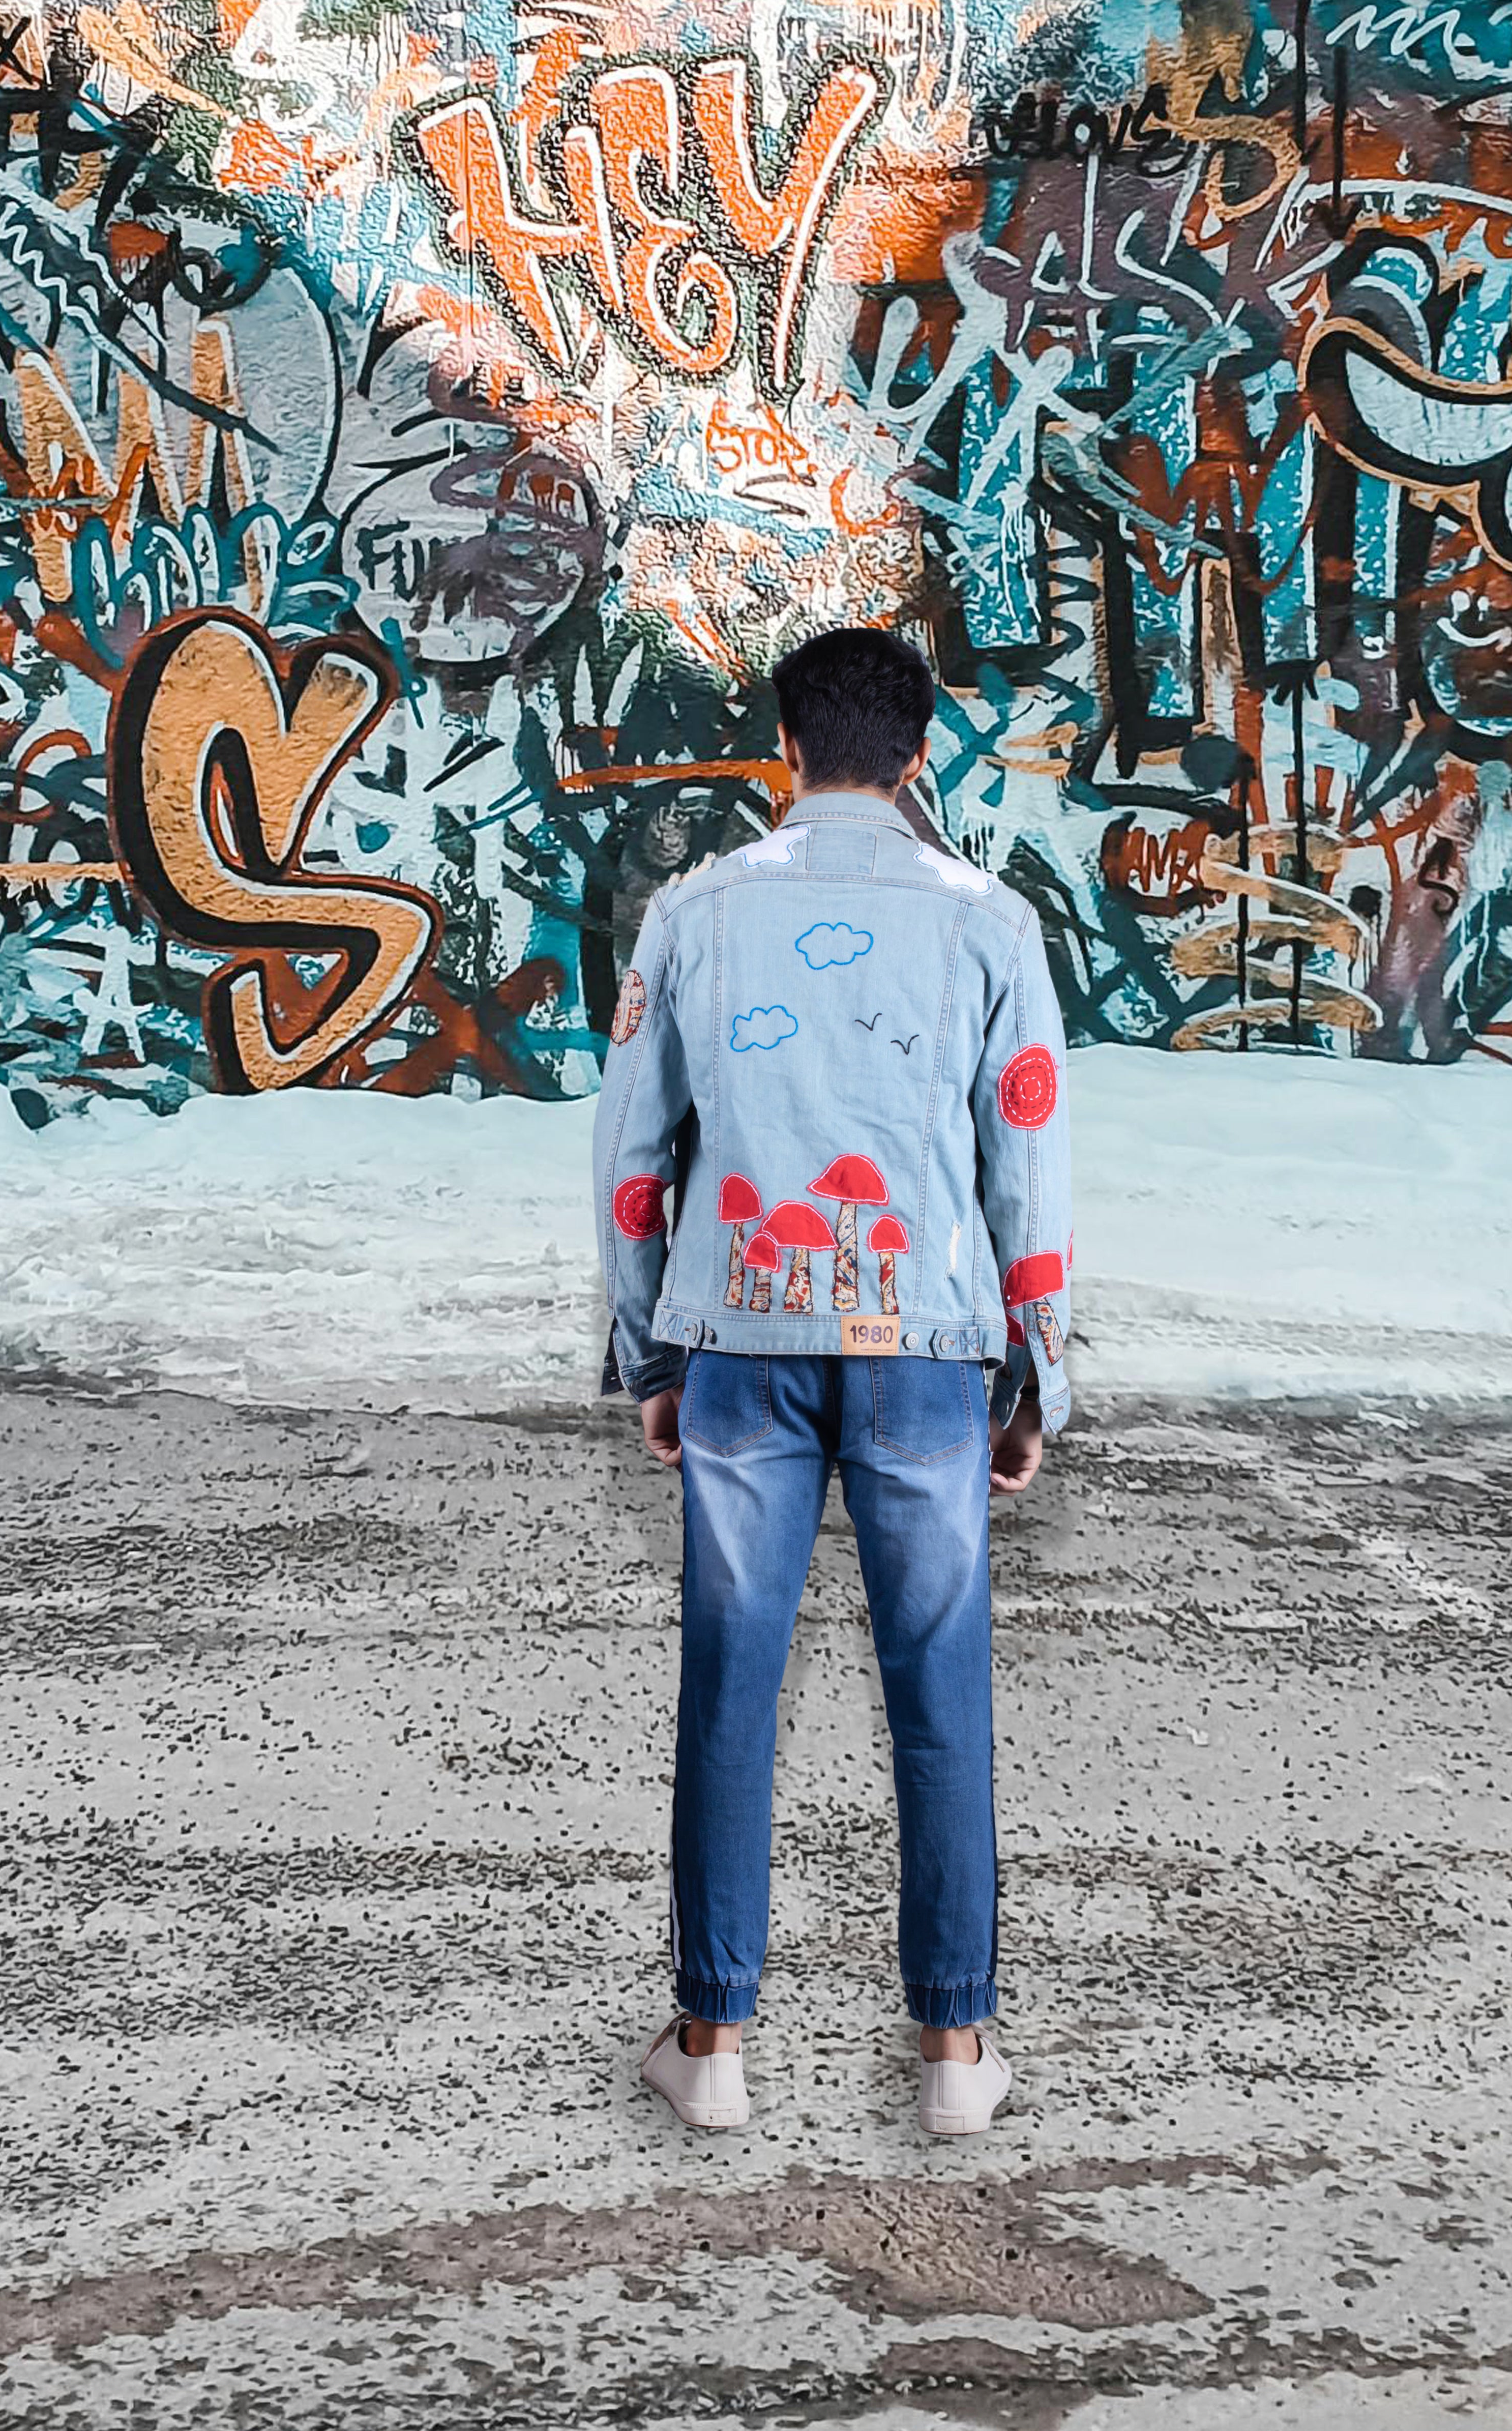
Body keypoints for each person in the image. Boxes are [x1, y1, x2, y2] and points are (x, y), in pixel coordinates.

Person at [590, 626, 1071, 2136]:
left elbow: (629, 1156)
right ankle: (954, 2055)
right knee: (939, 1688)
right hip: (927, 1351)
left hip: (740, 1340)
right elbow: (1026, 1165)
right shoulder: (990, 921)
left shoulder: (693, 910)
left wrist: (652, 1351)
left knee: (732, 1683)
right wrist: (1033, 1378)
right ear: (917, 758)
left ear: (784, 751)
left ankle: (712, 2045)